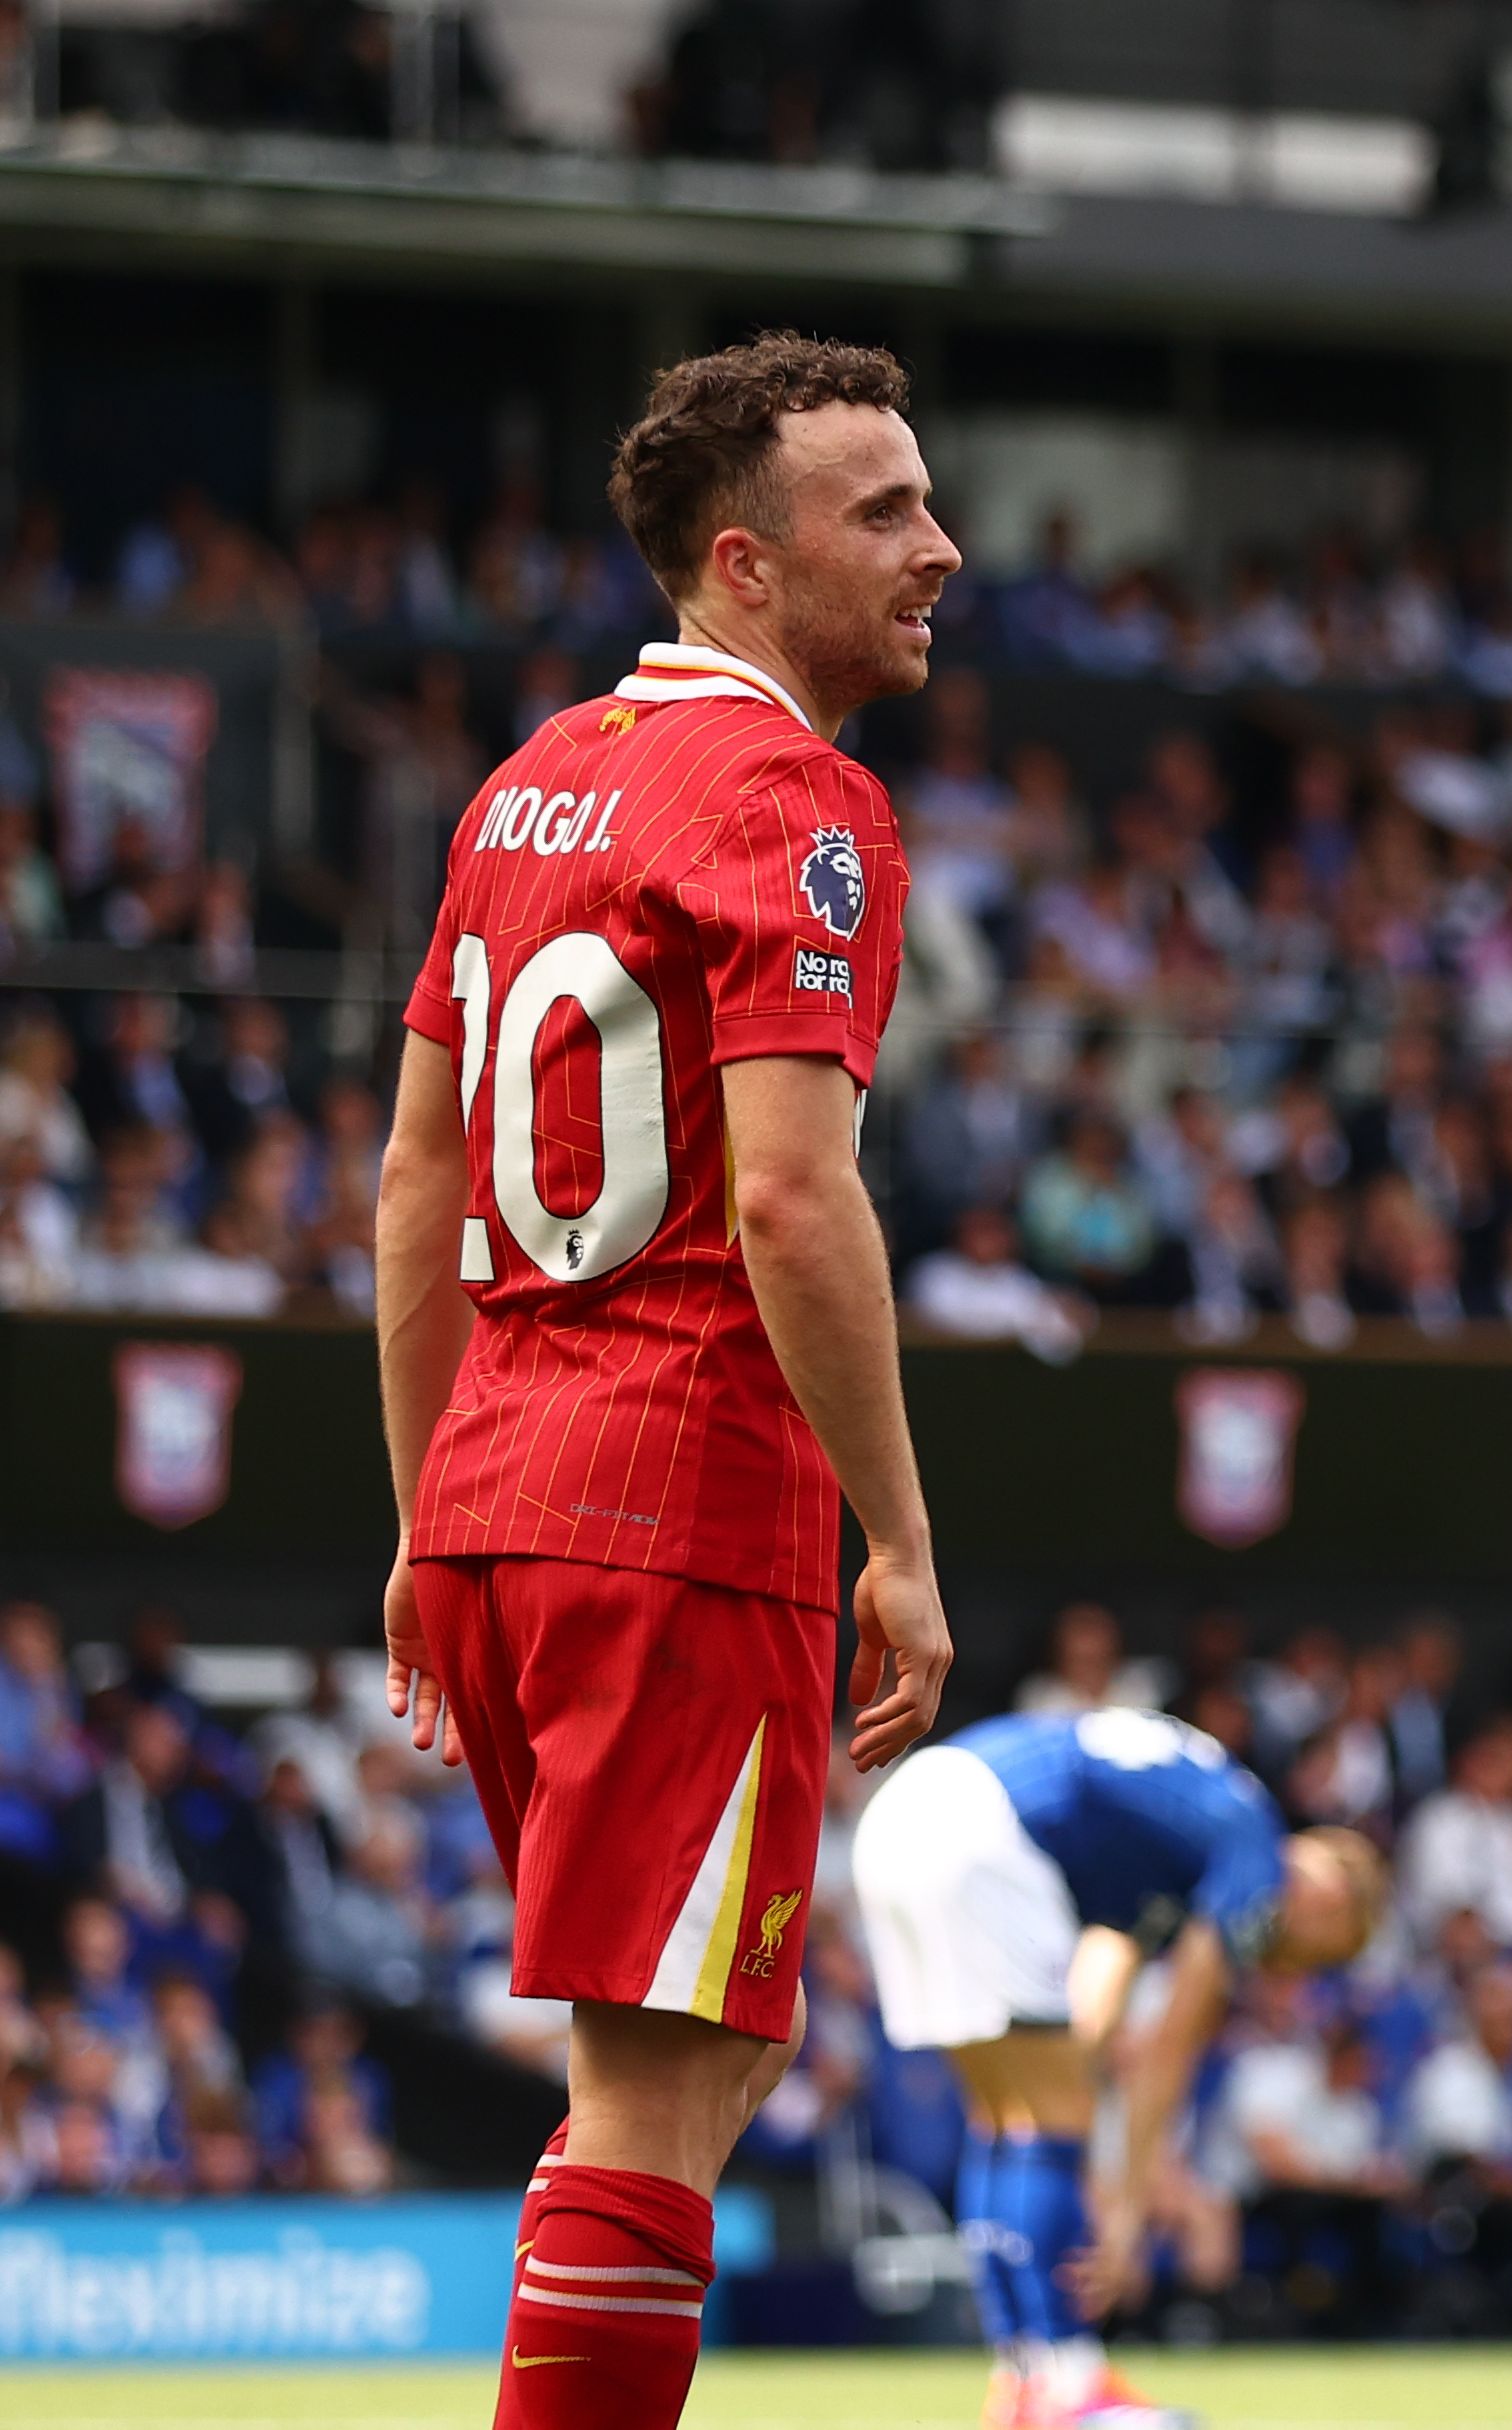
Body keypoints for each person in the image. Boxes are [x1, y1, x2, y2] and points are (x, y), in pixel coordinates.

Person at [375, 332, 961, 2430]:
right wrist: (897, 1540)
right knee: (657, 2078)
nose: (939, 547)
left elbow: (420, 1174)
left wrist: (423, 1501)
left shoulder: (528, 776)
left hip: (509, 1489)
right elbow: (798, 1206)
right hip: (681, 1500)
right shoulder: (799, 798)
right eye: (881, 511)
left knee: (695, 2056)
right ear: (741, 563)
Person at [855, 1707, 1381, 2423]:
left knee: (1006, 2116)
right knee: (1043, 2118)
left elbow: (1100, 1993)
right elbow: (1173, 2044)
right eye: (1309, 1950)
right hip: (991, 1833)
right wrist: (1128, 2212)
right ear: (1330, 1894)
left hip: (908, 1814)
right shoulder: (1256, 1851)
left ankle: (1024, 2381)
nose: (1284, 1961)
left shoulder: (1182, 1842)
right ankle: (1071, 2385)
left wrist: (1085, 2073)